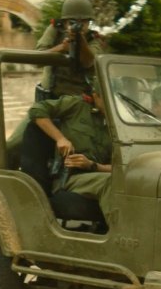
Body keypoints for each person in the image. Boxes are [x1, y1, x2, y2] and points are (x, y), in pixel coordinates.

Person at [6, 0, 106, 168]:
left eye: (83, 22)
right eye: (73, 22)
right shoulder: (54, 31)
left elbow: (89, 61)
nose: (78, 25)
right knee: (12, 146)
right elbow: (37, 59)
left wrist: (80, 40)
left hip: (76, 107)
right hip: (48, 102)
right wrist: (62, 47)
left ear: (89, 23)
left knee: (81, 151)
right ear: (65, 22)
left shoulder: (93, 39)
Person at [28, 79, 113, 224]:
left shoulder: (119, 122)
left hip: (97, 173)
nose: (112, 104)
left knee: (128, 182)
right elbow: (37, 110)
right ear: (95, 95)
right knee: (111, 183)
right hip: (69, 178)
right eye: (107, 98)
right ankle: (119, 235)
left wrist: (92, 165)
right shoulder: (77, 105)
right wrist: (60, 138)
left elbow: (122, 168)